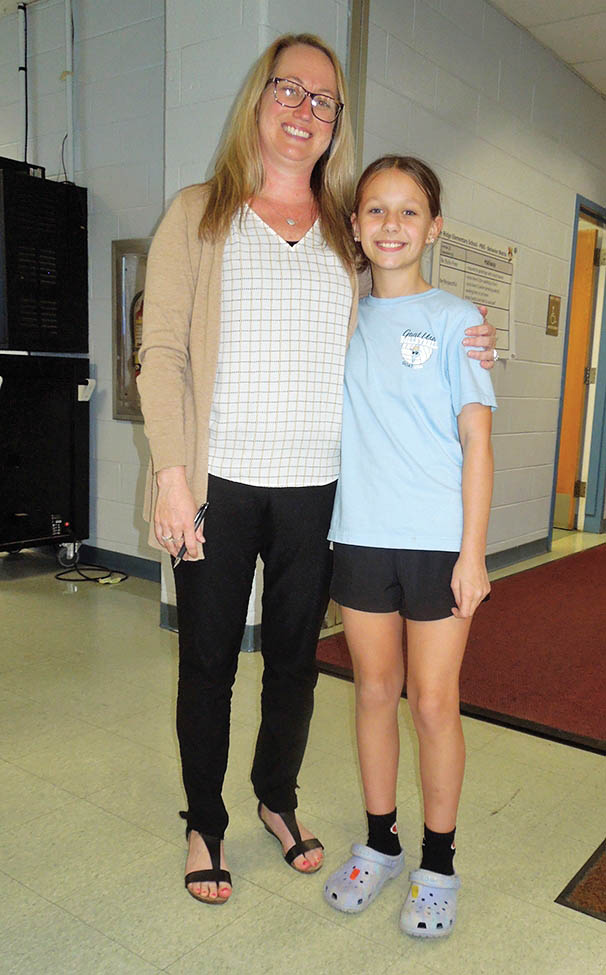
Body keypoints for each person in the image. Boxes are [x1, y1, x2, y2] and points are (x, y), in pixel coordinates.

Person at [138, 36, 497, 906]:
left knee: (295, 663)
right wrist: (172, 476)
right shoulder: (199, 213)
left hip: (320, 492)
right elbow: (162, 349)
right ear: (258, 100)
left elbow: (404, 314)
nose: (304, 110)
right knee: (209, 663)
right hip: (217, 486)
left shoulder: (345, 230)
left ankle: (277, 797)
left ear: (337, 122)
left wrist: (472, 335)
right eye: (289, 91)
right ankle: (204, 821)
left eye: (323, 100)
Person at [324, 155, 496, 938]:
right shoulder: (340, 317)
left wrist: (473, 551)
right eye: (375, 209)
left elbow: (477, 441)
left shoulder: (459, 321)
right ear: (354, 225)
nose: (390, 224)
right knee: (371, 691)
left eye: (408, 210)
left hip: (436, 545)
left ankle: (439, 862)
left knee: (431, 702)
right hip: (360, 535)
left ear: (433, 227)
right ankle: (381, 843)